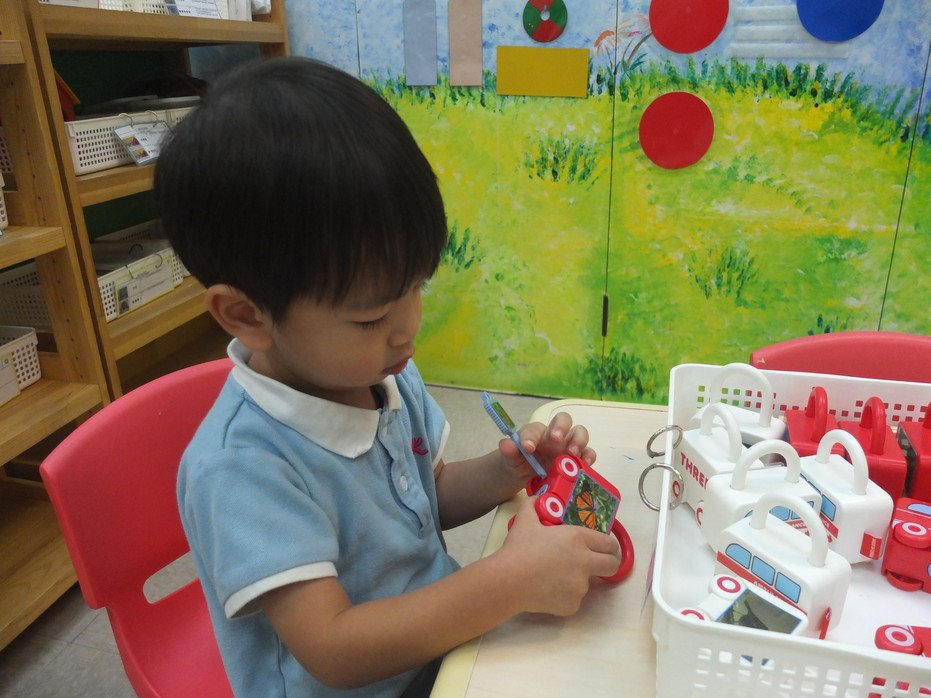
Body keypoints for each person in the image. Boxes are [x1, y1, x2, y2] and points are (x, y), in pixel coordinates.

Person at [154, 56, 621, 697]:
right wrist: (510, 581)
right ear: (247, 315)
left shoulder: (385, 372)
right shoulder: (242, 467)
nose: (408, 330)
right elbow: (334, 650)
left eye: (416, 288)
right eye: (371, 316)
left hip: (441, 650)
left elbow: (425, 499)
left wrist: (504, 471)